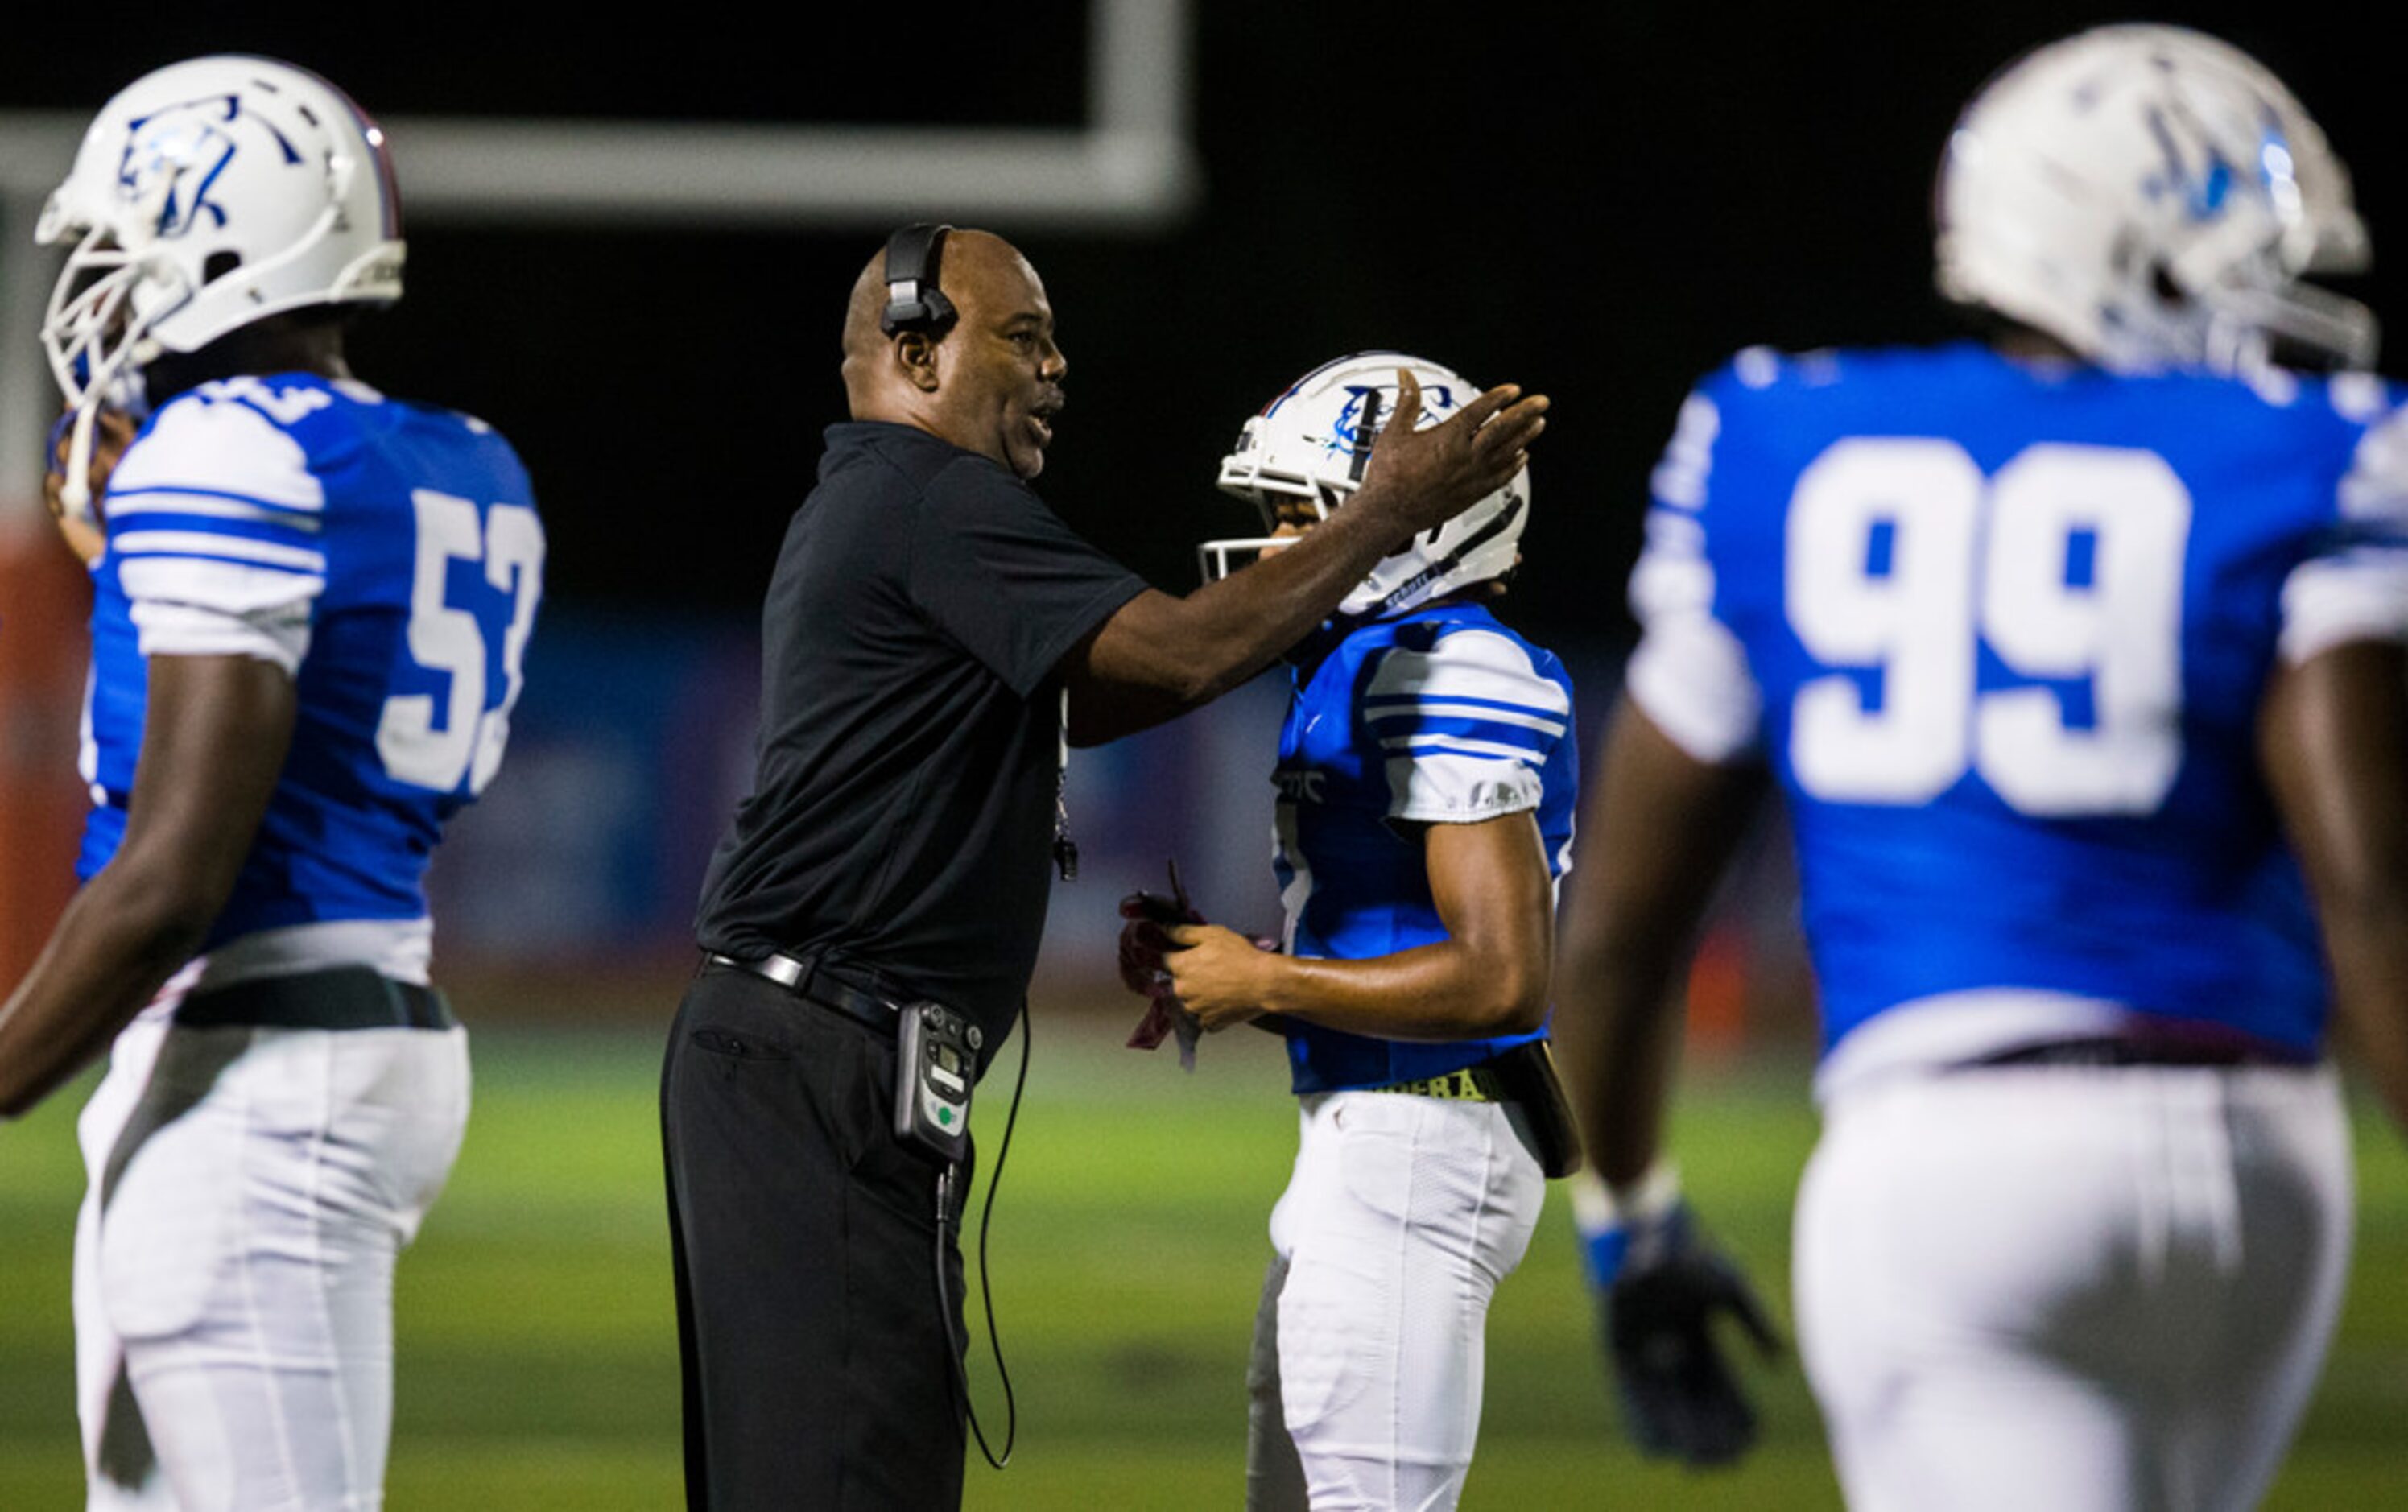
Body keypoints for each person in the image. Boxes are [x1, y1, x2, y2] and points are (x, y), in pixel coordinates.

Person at [1553, 23, 2408, 1509]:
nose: (2280, 311)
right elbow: (2378, 891)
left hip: (1957, 1152)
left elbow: (1624, 927)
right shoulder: (2311, 453)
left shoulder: (1782, 438)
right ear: (2116, 248)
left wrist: (1628, 1215)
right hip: (2267, 1156)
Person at [659, 228, 1548, 1509]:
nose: (1059, 366)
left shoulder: (884, 500)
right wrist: (1385, 510)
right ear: (917, 351)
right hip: (824, 1063)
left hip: (817, 1058)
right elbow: (1181, 654)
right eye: (1025, 337)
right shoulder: (929, 495)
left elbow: (1101, 688)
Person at [0, 56, 545, 1511]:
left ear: (223, 241)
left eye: (122, 253)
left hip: (255, 1064)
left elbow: (175, 873)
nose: (97, 297)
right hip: (342, 1026)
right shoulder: (466, 463)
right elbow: (323, 694)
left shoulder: (219, 454)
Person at [1119, 351, 1581, 1510]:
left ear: (1424, 526)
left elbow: (1503, 979)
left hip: (1418, 1149)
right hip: (1379, 1142)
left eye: (1297, 513)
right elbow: (1405, 932)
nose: (1277, 546)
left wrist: (1266, 988)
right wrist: (1241, 964)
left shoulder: (1451, 664)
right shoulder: (1375, 662)